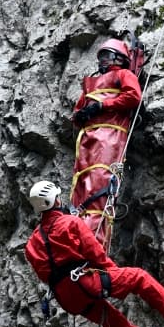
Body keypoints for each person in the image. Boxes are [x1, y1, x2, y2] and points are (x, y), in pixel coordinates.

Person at [24, 180, 164, 327]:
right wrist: (115, 275)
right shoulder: (70, 223)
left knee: (108, 318)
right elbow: (95, 254)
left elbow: (43, 274)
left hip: (67, 299)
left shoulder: (31, 243)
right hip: (84, 283)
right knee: (138, 277)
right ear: (55, 201)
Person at [69, 38, 143, 246]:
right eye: (100, 56)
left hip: (110, 135)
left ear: (119, 58)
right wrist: (80, 115)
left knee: (101, 181)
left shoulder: (123, 75)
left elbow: (133, 97)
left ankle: (93, 241)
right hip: (87, 139)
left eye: (106, 56)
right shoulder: (90, 86)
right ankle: (78, 235)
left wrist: (103, 106)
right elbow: (77, 112)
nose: (102, 61)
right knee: (82, 185)